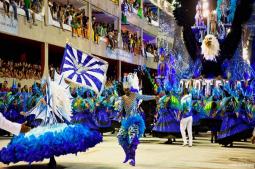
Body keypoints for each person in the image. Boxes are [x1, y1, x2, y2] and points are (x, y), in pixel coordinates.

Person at [117, 78, 157, 166]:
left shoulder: (134, 95)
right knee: (120, 137)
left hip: (135, 120)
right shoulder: (123, 98)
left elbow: (144, 97)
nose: (126, 90)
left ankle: (132, 159)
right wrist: (119, 112)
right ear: (123, 89)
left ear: (130, 88)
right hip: (126, 120)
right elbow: (120, 109)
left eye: (128, 89)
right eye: (125, 89)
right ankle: (128, 154)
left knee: (133, 139)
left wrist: (154, 97)